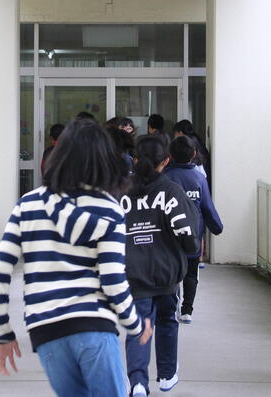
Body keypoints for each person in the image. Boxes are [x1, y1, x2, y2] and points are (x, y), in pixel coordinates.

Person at [0, 118, 152, 397]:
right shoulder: (109, 209)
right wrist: (135, 325)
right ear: (103, 158)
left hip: (46, 329)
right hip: (94, 325)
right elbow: (113, 281)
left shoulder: (28, 205)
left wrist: (1, 332)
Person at [120, 136, 200, 397]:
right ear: (166, 161)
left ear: (135, 159)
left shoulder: (121, 192)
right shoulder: (171, 191)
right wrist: (190, 250)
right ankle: (166, 375)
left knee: (140, 326)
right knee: (167, 320)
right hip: (167, 273)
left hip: (134, 273)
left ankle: (138, 382)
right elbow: (186, 230)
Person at [166, 136, 224, 324]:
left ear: (170, 155)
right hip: (193, 236)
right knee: (191, 274)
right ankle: (187, 310)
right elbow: (207, 207)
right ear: (194, 154)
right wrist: (217, 227)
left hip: (170, 237)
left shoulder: (166, 177)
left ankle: (173, 306)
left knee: (173, 274)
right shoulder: (199, 179)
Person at [172, 119, 211, 188]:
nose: (175, 137)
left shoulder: (187, 144)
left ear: (180, 132)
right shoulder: (196, 140)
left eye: (175, 134)